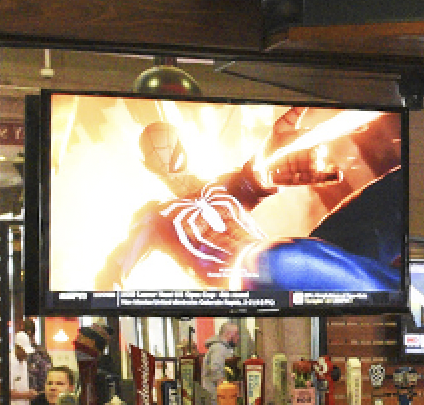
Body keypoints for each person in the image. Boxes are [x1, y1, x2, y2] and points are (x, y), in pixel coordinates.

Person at [94, 111, 396, 297]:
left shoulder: (222, 185)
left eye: (169, 147)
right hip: (250, 278)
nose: (166, 158)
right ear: (148, 165)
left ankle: (407, 299)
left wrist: (277, 149)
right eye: (157, 154)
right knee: (269, 260)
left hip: (294, 262)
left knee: (393, 194)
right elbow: (113, 269)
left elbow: (258, 174)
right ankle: (413, 306)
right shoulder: (156, 217)